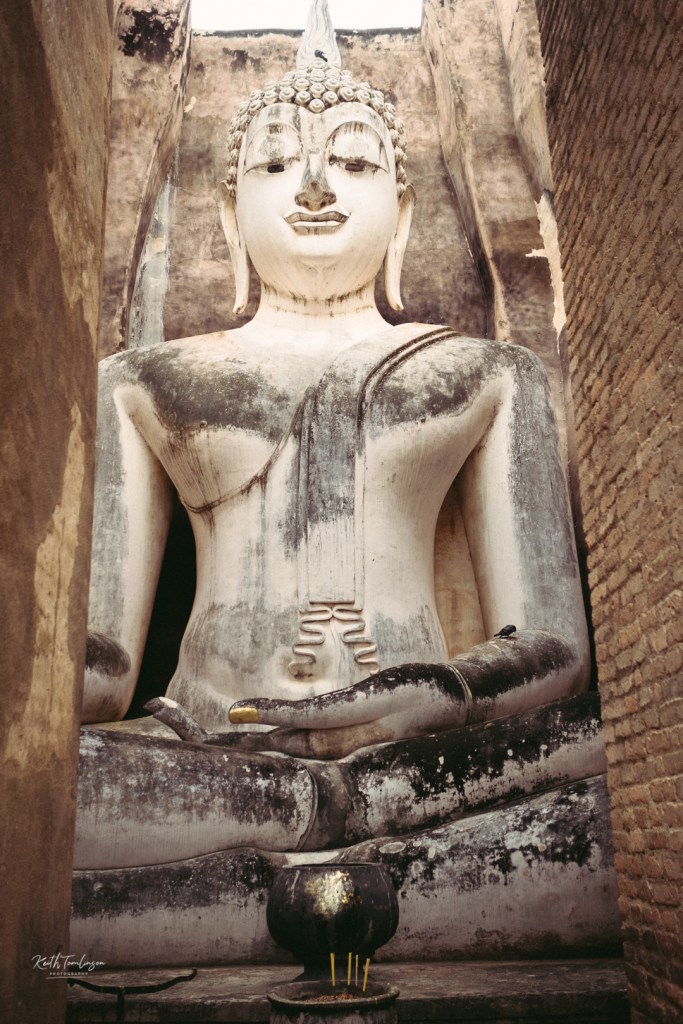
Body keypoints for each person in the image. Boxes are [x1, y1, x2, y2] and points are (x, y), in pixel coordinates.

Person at [73, 3, 618, 963]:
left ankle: (228, 902)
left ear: (400, 211)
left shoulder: (488, 374)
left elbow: (552, 644)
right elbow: (106, 665)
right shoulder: (145, 381)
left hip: (422, 766)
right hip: (207, 754)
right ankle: (367, 882)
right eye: (276, 166)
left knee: (626, 778)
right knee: (53, 790)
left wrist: (446, 688)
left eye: (356, 163)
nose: (316, 188)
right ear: (229, 211)